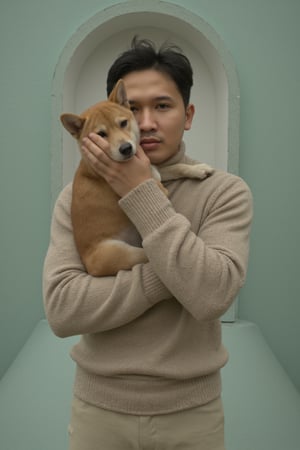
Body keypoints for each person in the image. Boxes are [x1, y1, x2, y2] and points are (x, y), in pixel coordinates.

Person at [43, 36, 253, 450]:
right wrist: (174, 277)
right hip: (98, 412)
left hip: (192, 416)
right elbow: (63, 310)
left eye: (162, 106)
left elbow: (212, 295)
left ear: (188, 114)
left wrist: (140, 190)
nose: (145, 123)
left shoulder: (224, 192)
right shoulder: (73, 198)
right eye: (132, 109)